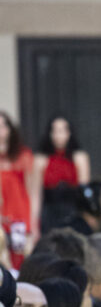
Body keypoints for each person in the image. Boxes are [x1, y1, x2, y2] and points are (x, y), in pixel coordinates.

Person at [33, 116, 90, 233]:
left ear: (69, 133)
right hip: (49, 213)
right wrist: (33, 223)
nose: (58, 135)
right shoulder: (41, 160)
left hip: (73, 211)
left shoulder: (79, 158)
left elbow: (84, 191)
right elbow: (36, 195)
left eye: (62, 131)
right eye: (55, 131)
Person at [0, 112, 35, 267]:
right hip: (1, 215)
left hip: (19, 216)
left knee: (19, 259)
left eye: (3, 126)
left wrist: (32, 223)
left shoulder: (22, 155)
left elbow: (31, 191)